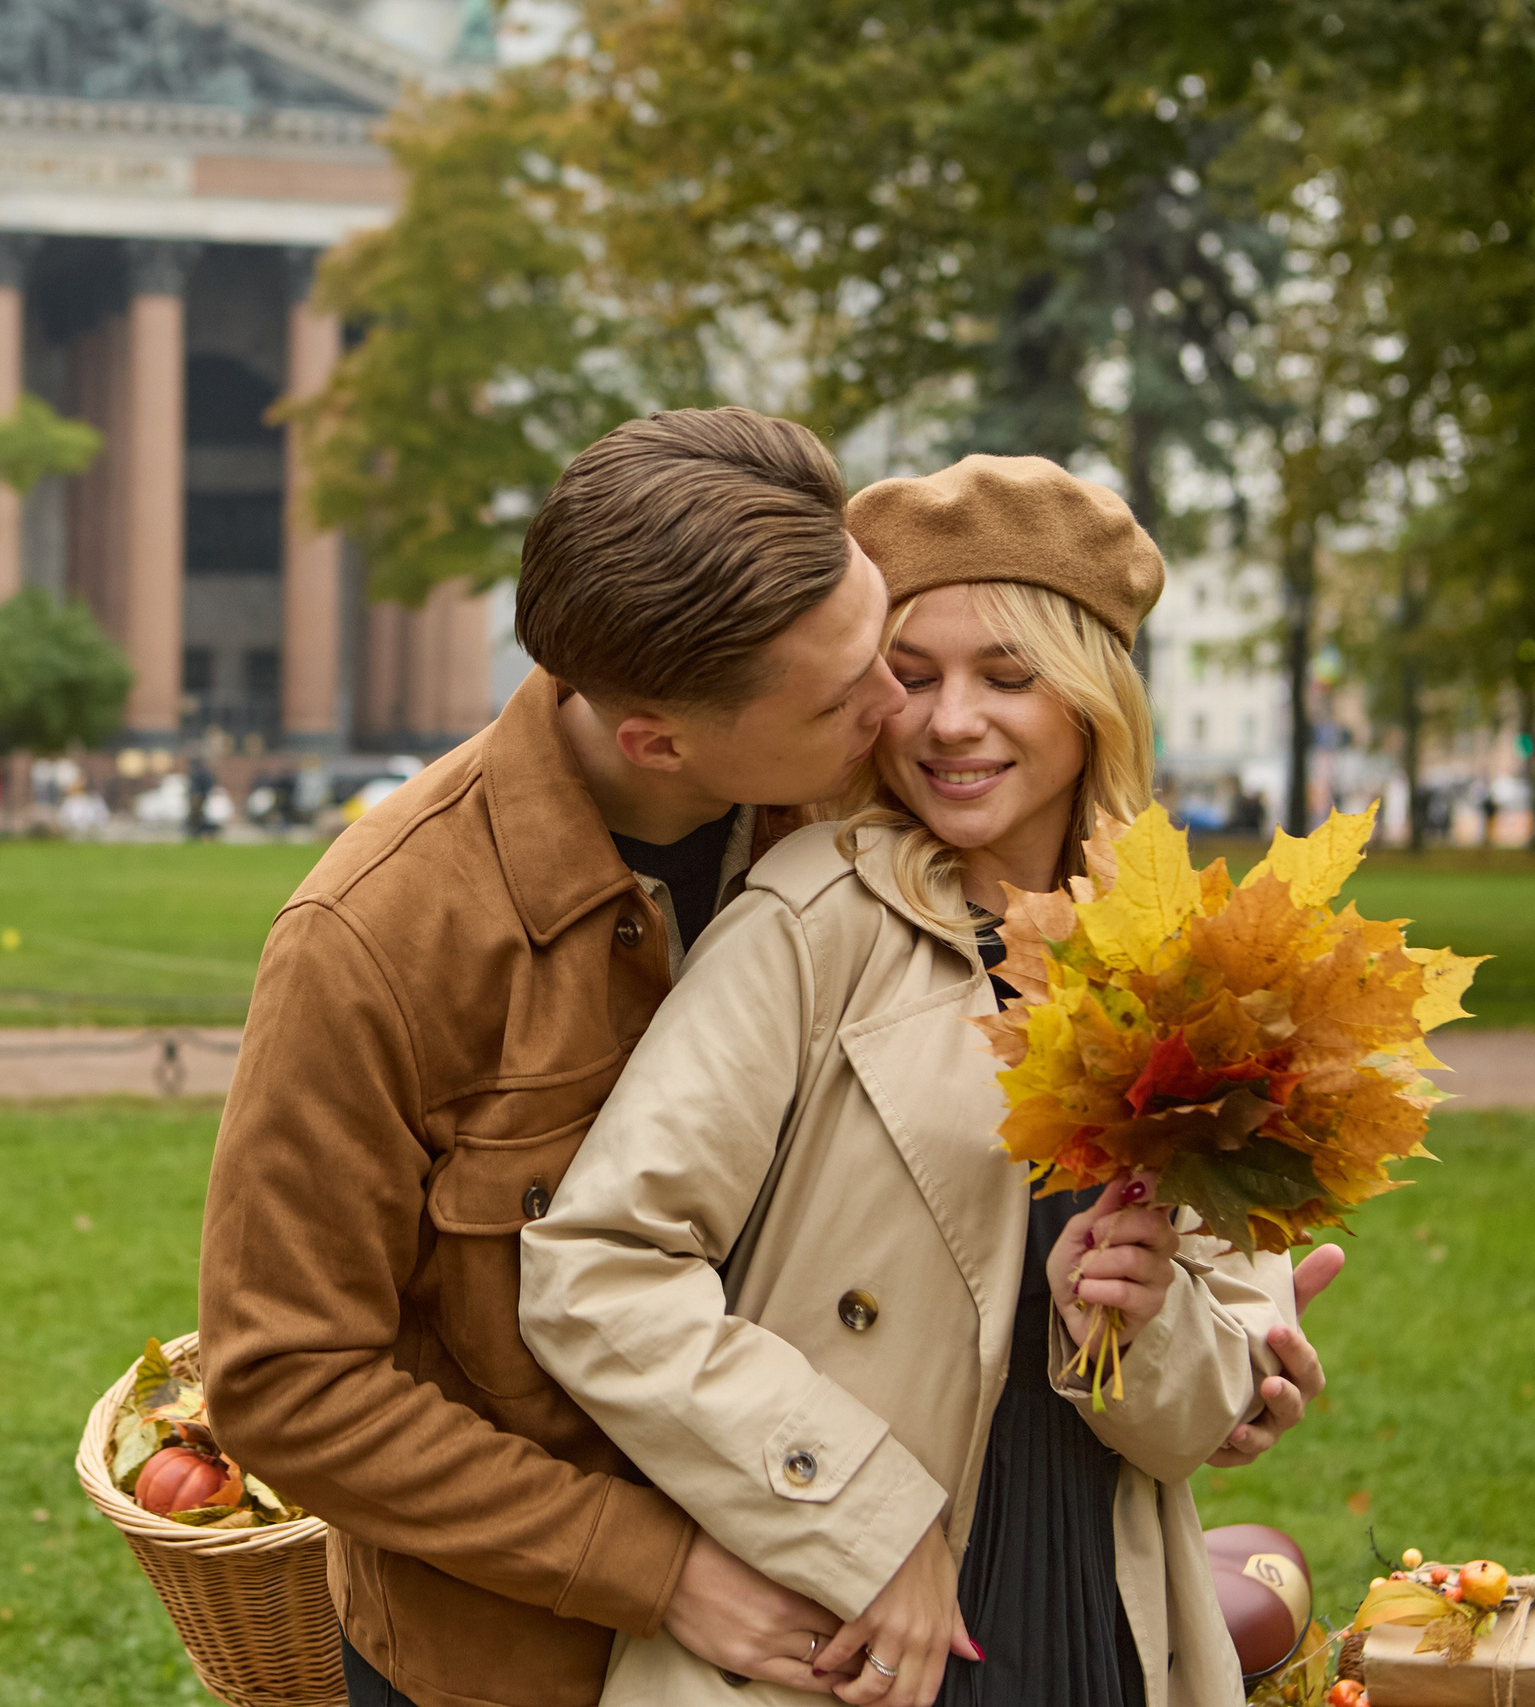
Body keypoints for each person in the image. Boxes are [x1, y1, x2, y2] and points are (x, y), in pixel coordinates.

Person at [200, 416, 1333, 1707]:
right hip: (516, 1638)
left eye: (891, 648)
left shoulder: (864, 791)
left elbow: (1159, 1323)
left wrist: (1201, 1344)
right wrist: (677, 1562)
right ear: (662, 742)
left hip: (971, 1594)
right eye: (874, 678)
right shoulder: (382, 939)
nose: (910, 712)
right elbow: (291, 1376)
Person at [519, 456, 1334, 1707]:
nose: (953, 721)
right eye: (911, 677)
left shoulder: (1189, 965)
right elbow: (601, 1268)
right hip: (848, 1624)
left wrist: (1133, 1319)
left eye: (1008, 677)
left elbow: (1199, 1421)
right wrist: (860, 1515)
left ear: (1092, 700)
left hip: (1095, 1614)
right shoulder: (809, 926)